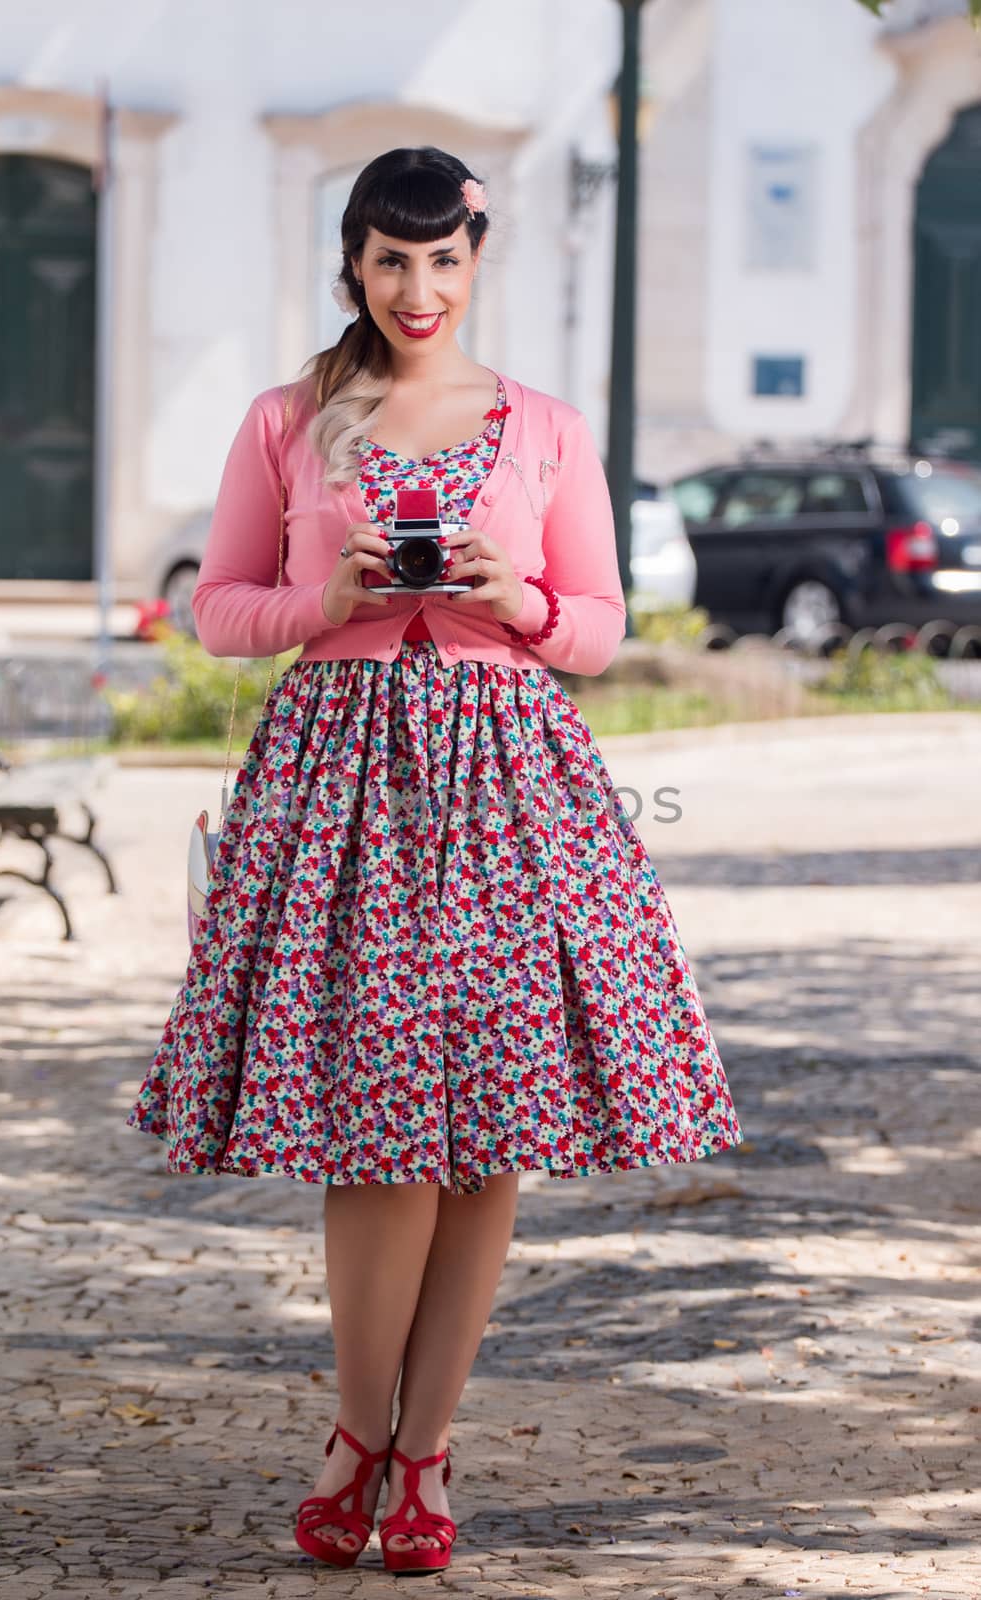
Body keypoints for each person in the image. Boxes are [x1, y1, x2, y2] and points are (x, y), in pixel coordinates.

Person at [125, 145, 744, 1576]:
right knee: (379, 1122)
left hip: (516, 787)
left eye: (446, 260)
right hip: (343, 790)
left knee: (490, 1137)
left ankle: (425, 1456)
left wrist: (517, 594)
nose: (420, 289)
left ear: (478, 260)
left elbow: (598, 623)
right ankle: (356, 1432)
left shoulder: (545, 428)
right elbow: (217, 610)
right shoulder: (289, 421)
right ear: (353, 262)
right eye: (392, 261)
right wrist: (318, 596)